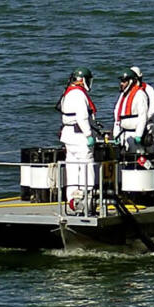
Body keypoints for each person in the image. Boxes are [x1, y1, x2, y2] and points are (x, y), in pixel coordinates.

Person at [58, 67, 100, 212]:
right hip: (80, 136)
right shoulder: (79, 95)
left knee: (72, 166)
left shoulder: (68, 93)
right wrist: (89, 135)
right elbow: (82, 117)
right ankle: (86, 198)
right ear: (83, 80)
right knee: (86, 166)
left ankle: (71, 199)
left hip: (69, 136)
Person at [113, 65, 154, 151]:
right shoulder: (124, 95)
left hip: (139, 130)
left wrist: (139, 133)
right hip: (124, 132)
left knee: (139, 156)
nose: (122, 83)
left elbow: (148, 112)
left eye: (124, 81)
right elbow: (117, 113)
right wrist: (116, 133)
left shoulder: (143, 92)